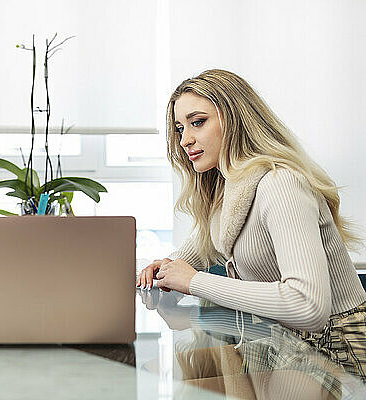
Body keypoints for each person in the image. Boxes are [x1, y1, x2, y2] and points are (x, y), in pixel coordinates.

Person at [136, 69, 366, 379]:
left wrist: (193, 281)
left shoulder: (280, 184)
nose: (185, 140)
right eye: (179, 128)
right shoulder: (229, 188)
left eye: (198, 122)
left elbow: (307, 306)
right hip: (287, 348)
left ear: (235, 118)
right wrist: (168, 266)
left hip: (341, 353)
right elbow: (205, 246)